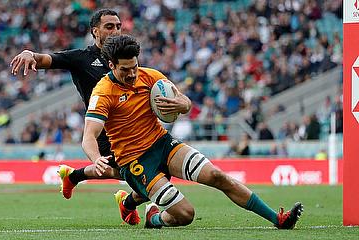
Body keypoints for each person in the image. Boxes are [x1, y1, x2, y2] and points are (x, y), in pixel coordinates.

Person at [82, 34, 303, 229]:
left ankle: (278, 219)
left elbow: (184, 101)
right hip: (135, 162)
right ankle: (154, 218)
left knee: (217, 176)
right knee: (186, 215)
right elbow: (89, 136)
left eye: (135, 67)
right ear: (111, 65)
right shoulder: (102, 93)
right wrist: (96, 158)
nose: (132, 74)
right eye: (125, 70)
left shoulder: (149, 76)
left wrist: (181, 105)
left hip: (162, 144)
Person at [10, 9, 142, 225]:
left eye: (118, 26)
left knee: (135, 172)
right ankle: (136, 206)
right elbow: (46, 59)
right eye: (109, 27)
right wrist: (29, 53)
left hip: (133, 126)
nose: (116, 31)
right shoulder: (81, 58)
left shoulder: (127, 56)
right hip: (104, 130)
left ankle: (74, 177)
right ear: (95, 31)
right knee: (144, 174)